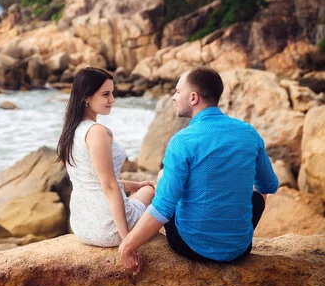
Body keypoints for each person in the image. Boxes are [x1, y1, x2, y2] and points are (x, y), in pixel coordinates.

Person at [119, 67, 279, 275]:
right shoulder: (248, 132)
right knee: (258, 190)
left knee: (163, 179)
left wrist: (127, 247)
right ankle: (231, 232)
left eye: (177, 91)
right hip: (240, 249)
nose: (174, 97)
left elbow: (163, 208)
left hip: (191, 248)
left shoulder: (183, 140)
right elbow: (269, 185)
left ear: (193, 97)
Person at [57, 67, 156, 249]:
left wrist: (133, 185)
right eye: (105, 94)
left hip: (82, 225)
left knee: (144, 188)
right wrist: (128, 241)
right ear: (87, 97)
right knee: (152, 191)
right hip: (107, 227)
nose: (112, 100)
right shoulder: (96, 132)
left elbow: (92, 178)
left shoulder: (70, 132)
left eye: (112, 93)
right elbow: (109, 186)